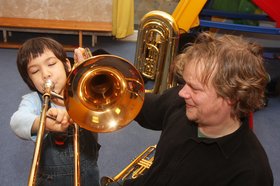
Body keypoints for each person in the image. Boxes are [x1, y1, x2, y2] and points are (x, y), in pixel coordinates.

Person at [108, 32, 274, 186]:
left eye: (195, 89)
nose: (182, 92)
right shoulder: (182, 103)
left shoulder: (251, 173)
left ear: (231, 97)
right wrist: (103, 73)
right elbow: (139, 105)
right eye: (185, 83)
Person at [10, 37, 100, 186]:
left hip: (89, 174)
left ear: (66, 65)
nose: (45, 74)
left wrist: (87, 69)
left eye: (51, 64)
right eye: (35, 71)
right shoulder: (34, 100)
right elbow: (16, 121)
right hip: (50, 181)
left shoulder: (84, 94)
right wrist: (42, 122)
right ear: (30, 80)